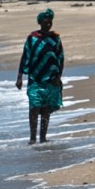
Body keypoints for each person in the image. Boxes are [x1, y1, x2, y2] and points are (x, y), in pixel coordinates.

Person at [15, 8, 64, 144]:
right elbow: (25, 57)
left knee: (46, 109)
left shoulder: (55, 38)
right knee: (34, 107)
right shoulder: (32, 38)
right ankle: (32, 137)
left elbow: (60, 57)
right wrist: (19, 77)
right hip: (35, 79)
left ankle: (43, 137)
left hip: (51, 79)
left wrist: (58, 76)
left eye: (50, 22)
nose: (48, 25)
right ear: (40, 23)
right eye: (45, 22)